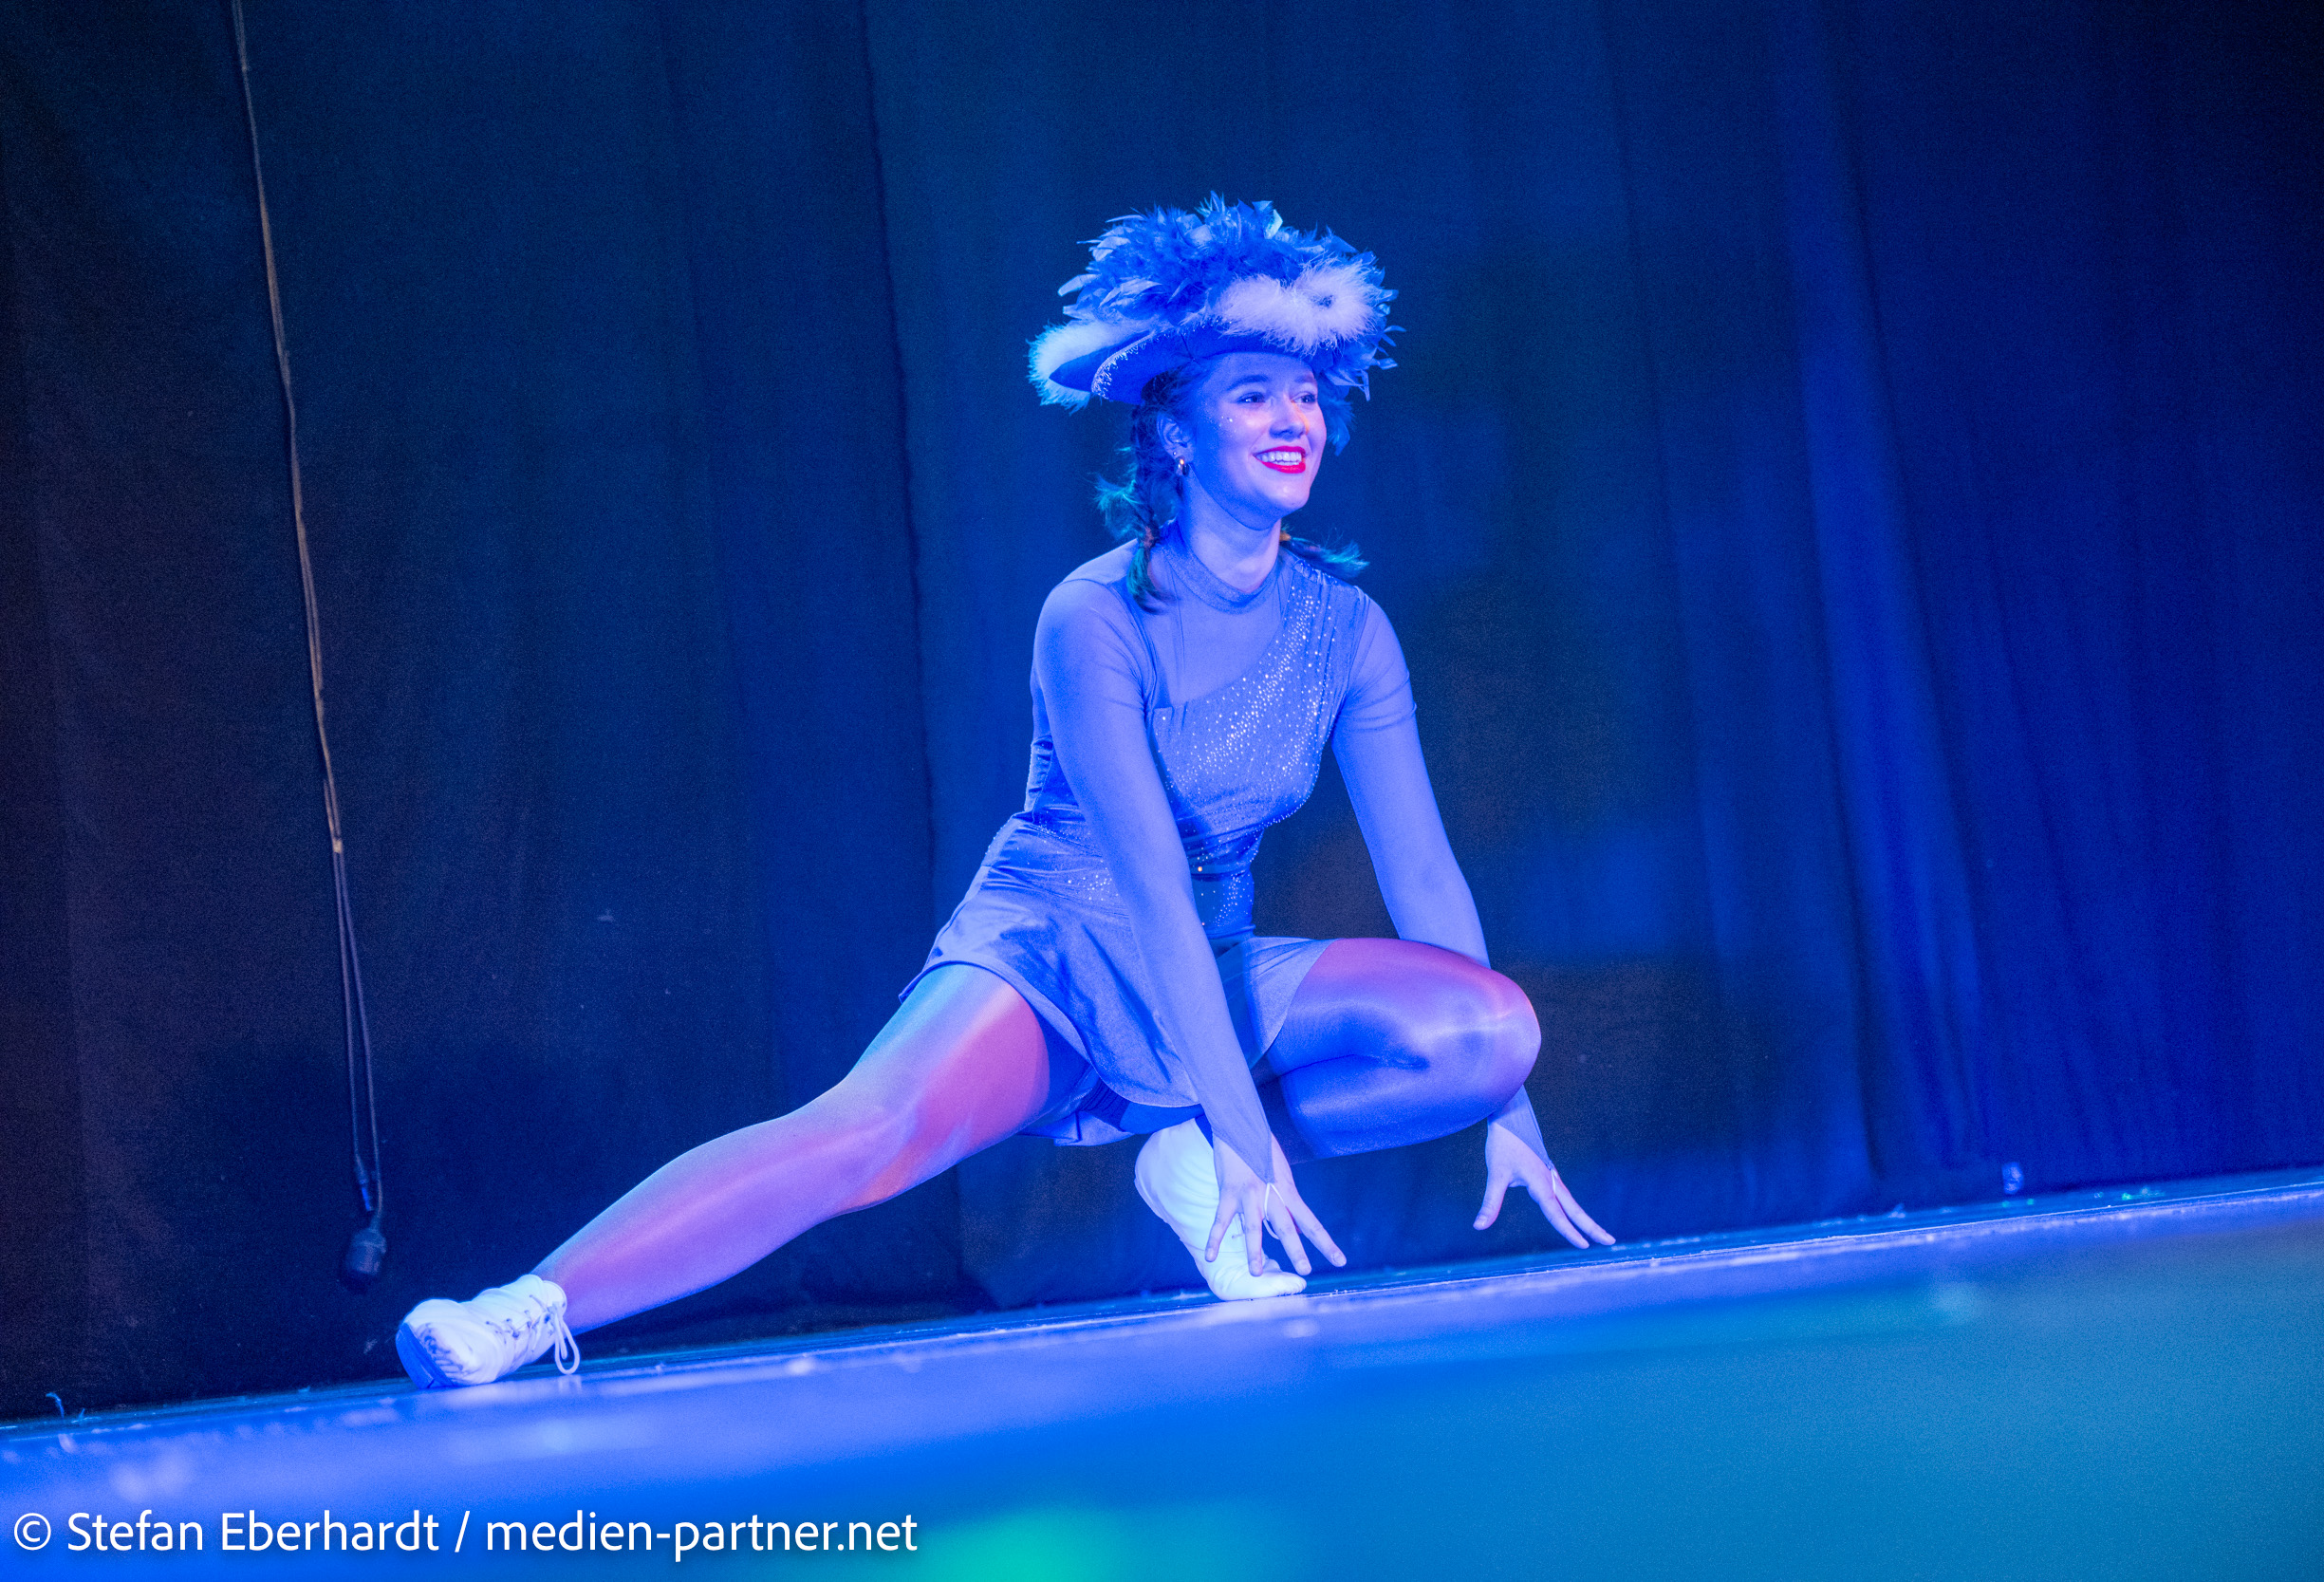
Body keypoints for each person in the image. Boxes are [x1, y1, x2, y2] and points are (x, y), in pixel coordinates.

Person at [396, 196, 1612, 1390]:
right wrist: (1254, 1139)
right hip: (1056, 940)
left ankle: (1188, 1153)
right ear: (1175, 434)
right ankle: (528, 1306)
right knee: (866, 1138)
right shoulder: (1094, 617)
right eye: (1252, 394)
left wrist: (1509, 1112)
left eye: (1304, 394)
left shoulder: (1347, 630)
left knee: (1486, 1031)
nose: (1293, 419)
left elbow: (1423, 872)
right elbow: (1144, 884)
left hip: (1214, 948)